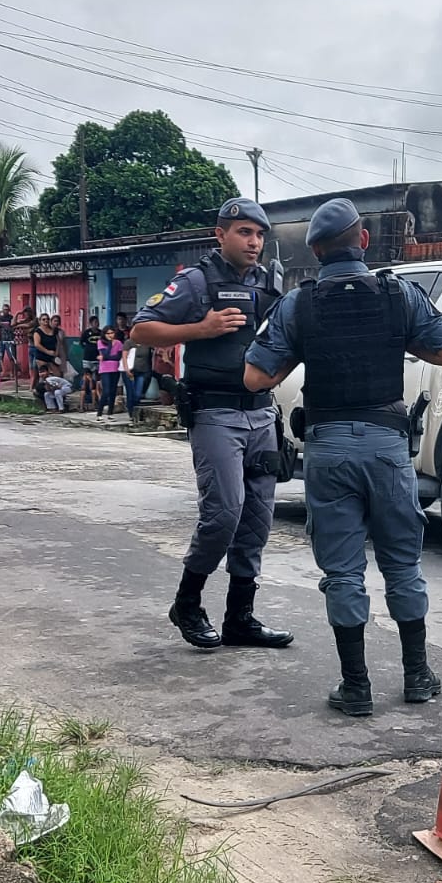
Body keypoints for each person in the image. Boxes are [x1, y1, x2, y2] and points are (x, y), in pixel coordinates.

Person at [244, 197, 442, 716]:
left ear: (316, 251)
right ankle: (416, 676)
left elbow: (256, 377)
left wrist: (304, 349)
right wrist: (403, 338)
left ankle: (357, 686)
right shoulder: (399, 294)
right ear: (362, 239)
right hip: (387, 444)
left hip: (329, 449)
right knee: (402, 564)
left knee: (343, 571)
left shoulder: (299, 304)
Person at [130, 197, 293, 651]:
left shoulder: (269, 285)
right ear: (220, 235)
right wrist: (201, 329)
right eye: (244, 232)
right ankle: (187, 602)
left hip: (261, 412)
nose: (254, 242)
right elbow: (140, 330)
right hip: (215, 413)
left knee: (258, 519)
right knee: (224, 512)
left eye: (259, 234)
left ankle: (241, 617)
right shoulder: (195, 283)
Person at [96, 325, 124, 417]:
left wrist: (106, 358)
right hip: (105, 369)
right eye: (108, 333)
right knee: (106, 391)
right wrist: (109, 344)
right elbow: (105, 354)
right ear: (104, 334)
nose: (110, 335)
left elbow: (118, 357)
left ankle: (110, 413)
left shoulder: (119, 343)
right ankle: (99, 413)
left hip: (115, 368)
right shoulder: (100, 342)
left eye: (112, 333)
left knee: (113, 391)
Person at [79, 315, 102, 410]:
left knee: (96, 380)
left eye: (97, 322)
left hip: (97, 359)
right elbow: (81, 343)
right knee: (86, 380)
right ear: (91, 323)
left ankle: (95, 402)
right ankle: (81, 405)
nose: (96, 324)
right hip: (87, 359)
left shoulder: (101, 333)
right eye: (94, 322)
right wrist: (88, 348)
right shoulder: (86, 333)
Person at [13, 299, 37, 379]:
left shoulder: (35, 320)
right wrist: (17, 314)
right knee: (31, 366)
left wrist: (17, 326)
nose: (25, 316)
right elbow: (13, 323)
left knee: (35, 366)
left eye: (26, 314)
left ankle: (34, 381)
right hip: (30, 345)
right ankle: (32, 380)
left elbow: (28, 326)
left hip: (37, 346)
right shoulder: (25, 320)